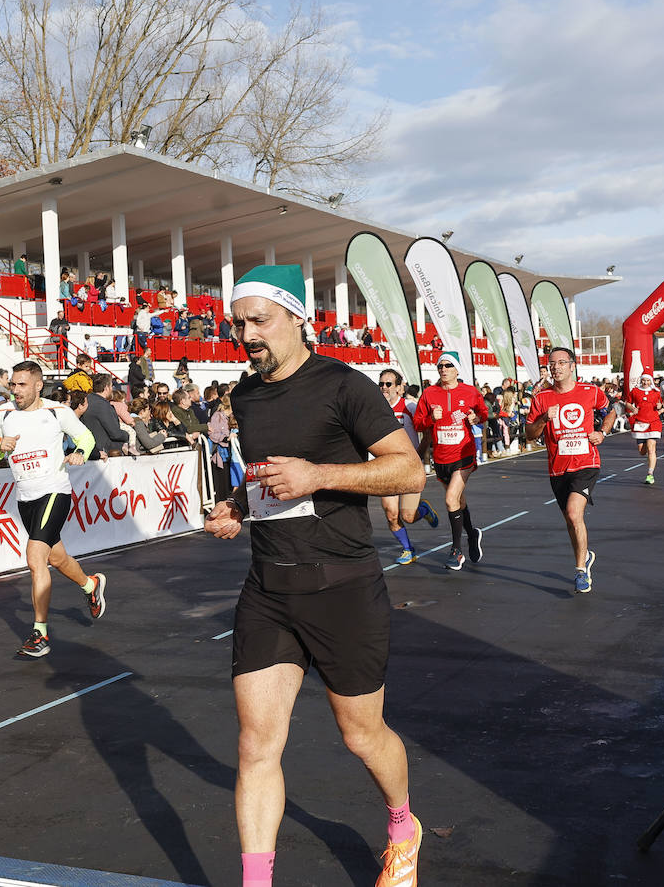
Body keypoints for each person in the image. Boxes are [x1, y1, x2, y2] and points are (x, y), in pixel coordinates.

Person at [202, 264, 426, 887]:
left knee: (362, 735)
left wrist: (320, 474)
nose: (247, 334)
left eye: (260, 320)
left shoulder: (345, 386)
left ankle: (402, 826)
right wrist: (239, 506)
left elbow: (408, 472)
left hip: (343, 587)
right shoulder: (244, 394)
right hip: (270, 587)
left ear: (299, 317)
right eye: (238, 322)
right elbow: (269, 476)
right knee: (255, 746)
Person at [0, 360, 105, 659]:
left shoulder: (56, 411)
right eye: (13, 384)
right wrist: (0, 448)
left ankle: (40, 633)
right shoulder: (2, 413)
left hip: (54, 490)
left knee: (36, 557)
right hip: (25, 496)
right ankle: (91, 584)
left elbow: (85, 438)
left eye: (22, 384)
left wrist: (78, 453)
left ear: (38, 385)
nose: (16, 390)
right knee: (56, 556)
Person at [526, 347, 614, 594]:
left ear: (572, 366)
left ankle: (580, 571)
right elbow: (529, 435)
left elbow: (611, 411)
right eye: (551, 364)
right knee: (569, 518)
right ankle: (584, 556)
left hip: (586, 463)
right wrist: (544, 419)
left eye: (561, 362)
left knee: (575, 513)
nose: (555, 367)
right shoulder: (541, 398)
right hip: (557, 468)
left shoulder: (589, 391)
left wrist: (602, 432)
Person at [411, 351, 489, 571]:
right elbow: (418, 424)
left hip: (463, 455)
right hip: (441, 457)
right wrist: (429, 419)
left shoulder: (470, 392)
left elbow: (485, 412)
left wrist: (477, 417)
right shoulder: (429, 393)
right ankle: (472, 533)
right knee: (458, 502)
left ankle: (456, 551)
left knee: (450, 499)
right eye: (440, 366)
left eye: (447, 365)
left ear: (456, 370)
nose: (443, 369)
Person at [376, 368, 438, 565]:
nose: (384, 388)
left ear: (399, 388)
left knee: (408, 516)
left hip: (410, 468)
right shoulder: (375, 410)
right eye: (381, 384)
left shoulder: (409, 407)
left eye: (388, 384)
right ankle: (408, 550)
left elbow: (427, 433)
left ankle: (425, 510)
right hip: (387, 468)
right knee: (391, 513)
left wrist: (417, 455)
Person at [626, 371, 664, 484]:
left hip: (653, 423)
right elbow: (627, 403)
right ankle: (650, 456)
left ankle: (650, 474)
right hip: (640, 423)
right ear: (641, 380)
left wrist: (660, 407)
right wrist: (632, 409)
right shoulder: (635, 391)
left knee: (651, 449)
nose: (645, 382)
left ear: (651, 381)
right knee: (642, 451)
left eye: (647, 380)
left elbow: (662, 405)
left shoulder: (656, 392)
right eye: (643, 380)